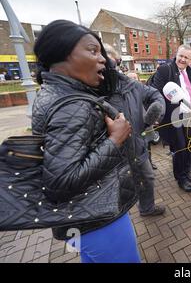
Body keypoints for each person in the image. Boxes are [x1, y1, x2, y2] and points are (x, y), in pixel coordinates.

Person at [32, 20, 140, 263]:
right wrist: (116, 139)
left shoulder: (52, 93)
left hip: (81, 218)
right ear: (62, 54)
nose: (102, 59)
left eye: (101, 52)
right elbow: (60, 180)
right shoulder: (73, 105)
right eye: (93, 51)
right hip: (97, 220)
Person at [104, 44, 167, 218]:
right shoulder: (93, 92)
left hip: (138, 147)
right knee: (115, 190)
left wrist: (157, 109)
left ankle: (147, 208)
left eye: (110, 61)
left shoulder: (131, 85)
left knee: (147, 179)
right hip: (111, 154)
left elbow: (155, 94)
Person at [149, 45, 191, 193]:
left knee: (189, 145)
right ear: (176, 54)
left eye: (186, 57)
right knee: (180, 147)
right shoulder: (165, 70)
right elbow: (155, 92)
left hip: (190, 116)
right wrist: (156, 114)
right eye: (181, 56)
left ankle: (187, 171)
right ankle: (181, 178)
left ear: (190, 59)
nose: (182, 59)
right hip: (174, 117)